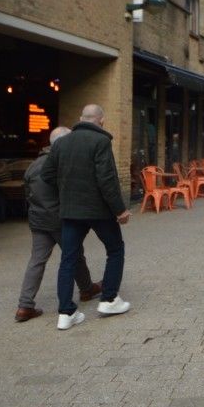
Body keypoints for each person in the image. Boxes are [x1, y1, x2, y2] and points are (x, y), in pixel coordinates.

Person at [45, 104, 132, 329]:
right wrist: (120, 210)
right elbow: (107, 179)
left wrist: (65, 192)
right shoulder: (101, 142)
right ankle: (109, 299)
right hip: (99, 211)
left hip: (71, 211)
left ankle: (65, 313)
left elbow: (47, 175)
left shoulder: (62, 143)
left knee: (68, 259)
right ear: (101, 121)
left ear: (81, 118)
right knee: (115, 249)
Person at [15, 127, 99, 323]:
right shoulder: (61, 164)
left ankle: (24, 305)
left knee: (36, 261)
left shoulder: (33, 165)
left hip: (38, 219)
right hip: (60, 219)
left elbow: (27, 193)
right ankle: (86, 289)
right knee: (74, 255)